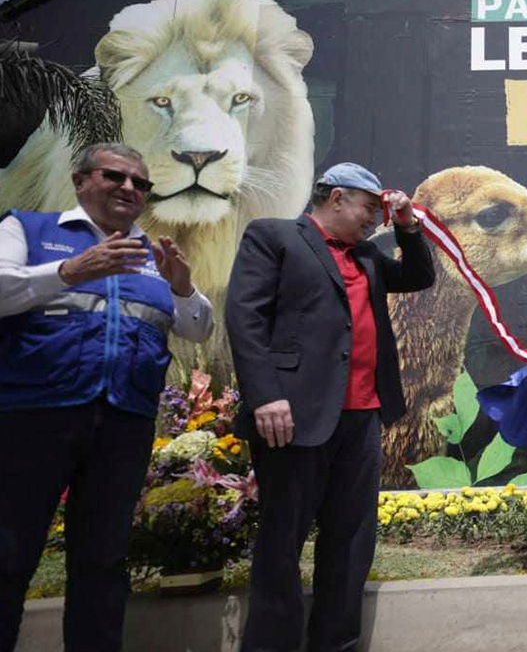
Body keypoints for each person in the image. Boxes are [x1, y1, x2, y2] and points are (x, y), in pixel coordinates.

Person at [0, 142, 213, 652]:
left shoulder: (154, 255)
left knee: (102, 561)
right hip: (33, 420)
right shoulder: (27, 229)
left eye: (140, 183)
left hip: (123, 425)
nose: (129, 189)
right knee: (9, 555)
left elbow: (198, 329)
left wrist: (183, 288)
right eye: (115, 177)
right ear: (80, 181)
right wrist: (70, 271)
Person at [226, 162, 436, 652]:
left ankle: (335, 644)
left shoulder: (367, 256)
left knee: (351, 540)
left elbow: (419, 276)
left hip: (361, 416)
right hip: (292, 416)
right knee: (282, 542)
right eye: (369, 209)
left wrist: (407, 225)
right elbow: (244, 315)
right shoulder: (274, 236)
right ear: (336, 197)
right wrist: (265, 394)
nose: (374, 220)